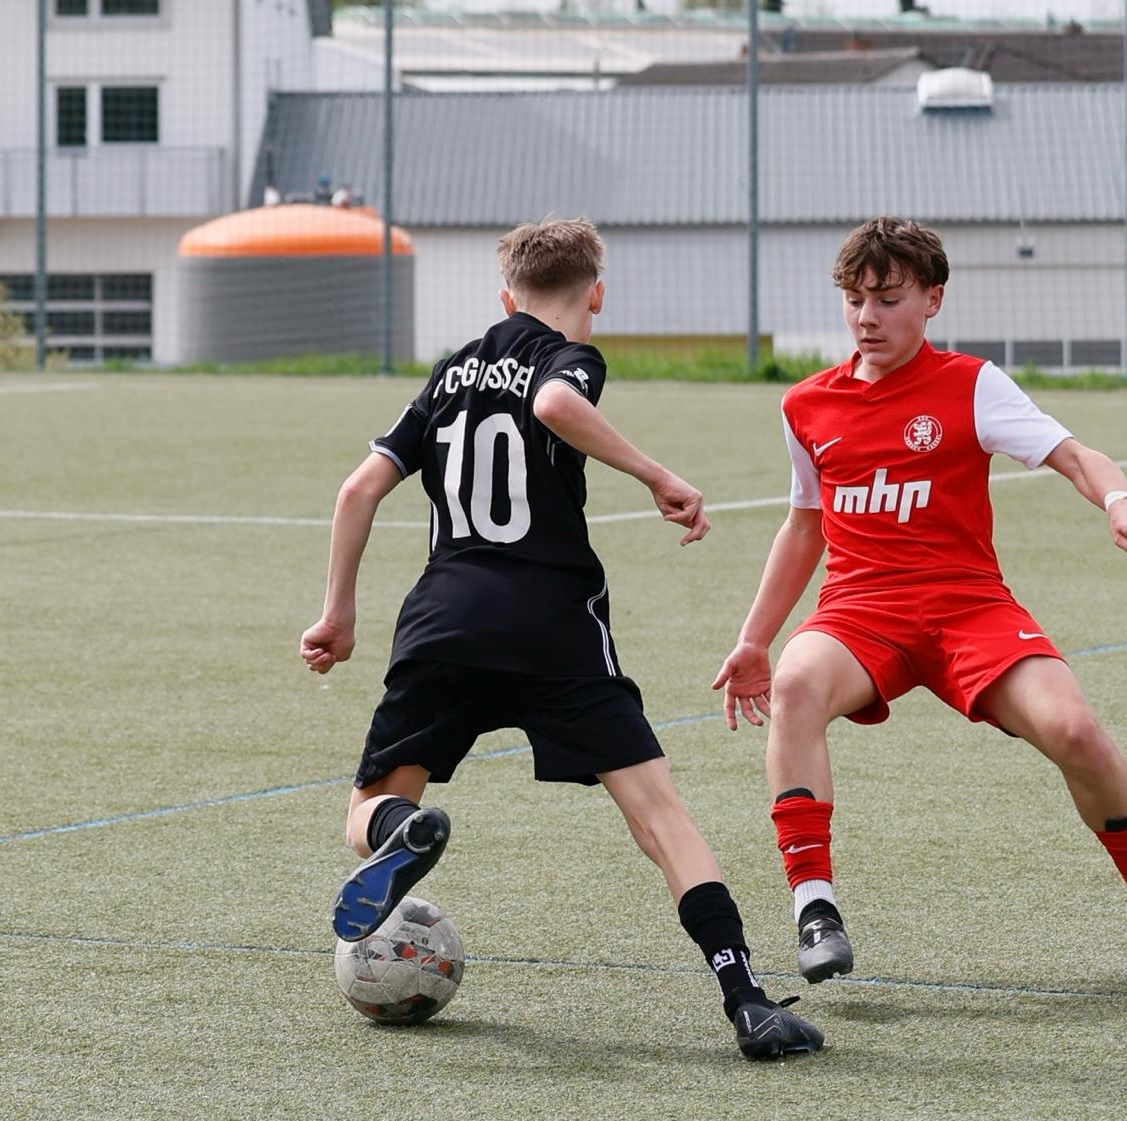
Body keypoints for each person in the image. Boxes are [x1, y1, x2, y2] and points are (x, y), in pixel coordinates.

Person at [301, 217, 823, 1060]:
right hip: (554, 625)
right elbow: (551, 401)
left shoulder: (449, 372)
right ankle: (747, 1000)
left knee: (366, 810)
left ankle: (408, 829)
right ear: (596, 295)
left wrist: (339, 614)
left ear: (504, 294)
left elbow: (358, 488)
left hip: (444, 621)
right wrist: (659, 474)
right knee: (661, 815)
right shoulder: (567, 355)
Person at [711, 216, 1127, 990]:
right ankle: (816, 908)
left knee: (1074, 728)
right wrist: (755, 638)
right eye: (854, 298)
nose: (866, 316)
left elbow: (1073, 453)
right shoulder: (806, 406)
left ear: (933, 299)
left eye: (887, 297)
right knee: (794, 683)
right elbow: (805, 524)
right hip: (860, 612)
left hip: (967, 608)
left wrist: (1117, 499)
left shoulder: (971, 384)